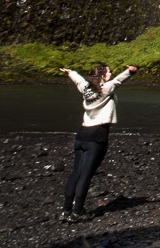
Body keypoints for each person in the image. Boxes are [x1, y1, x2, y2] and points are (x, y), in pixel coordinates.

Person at [58, 63, 138, 222]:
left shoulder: (86, 88)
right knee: (86, 175)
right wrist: (130, 72)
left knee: (76, 173)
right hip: (97, 136)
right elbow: (118, 81)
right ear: (102, 75)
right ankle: (78, 212)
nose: (110, 73)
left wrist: (70, 72)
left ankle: (66, 210)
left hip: (81, 135)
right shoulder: (105, 88)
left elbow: (79, 81)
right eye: (108, 72)